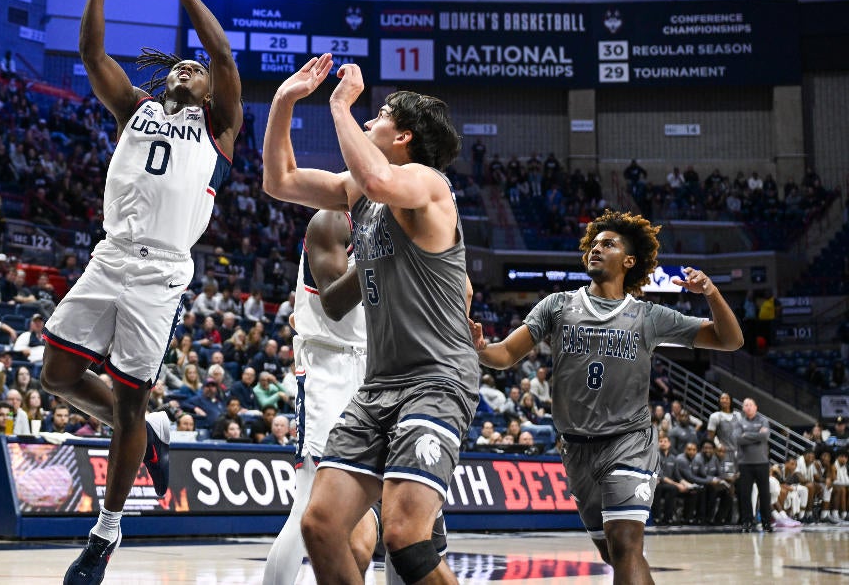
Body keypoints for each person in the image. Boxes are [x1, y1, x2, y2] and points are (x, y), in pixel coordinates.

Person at [41, 0, 242, 585]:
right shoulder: (135, 108)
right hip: (111, 255)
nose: (188, 68)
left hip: (160, 273)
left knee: (130, 398)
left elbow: (225, 57)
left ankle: (105, 532)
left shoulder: (217, 130)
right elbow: (92, 51)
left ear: (209, 92)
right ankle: (143, 437)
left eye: (196, 70)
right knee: (58, 376)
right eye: (179, 66)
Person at [262, 54, 470, 585]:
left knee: (404, 537)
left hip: (435, 379)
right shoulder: (361, 193)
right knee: (322, 524)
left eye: (379, 114)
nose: (370, 118)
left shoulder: (427, 183)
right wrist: (284, 101)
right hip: (379, 383)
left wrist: (338, 104)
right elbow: (279, 180)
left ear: (403, 137)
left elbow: (378, 181)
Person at [471, 210, 742, 580]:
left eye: (608, 244)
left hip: (627, 441)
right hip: (576, 448)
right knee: (614, 552)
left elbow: (730, 339)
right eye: (594, 244)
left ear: (629, 261)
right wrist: (482, 348)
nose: (596, 249)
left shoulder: (648, 316)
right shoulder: (557, 306)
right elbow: (505, 354)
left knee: (626, 541)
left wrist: (710, 292)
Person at [265, 208, 402, 585]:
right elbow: (335, 304)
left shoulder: (391, 227)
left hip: (373, 370)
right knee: (308, 503)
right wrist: (383, 250)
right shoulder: (331, 221)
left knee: (392, 510)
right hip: (329, 367)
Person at [734, 397, 774, 532]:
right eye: (746, 405)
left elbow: (765, 437)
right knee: (745, 494)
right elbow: (738, 439)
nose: (748, 407)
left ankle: (766, 522)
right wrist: (756, 435)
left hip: (762, 463)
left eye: (751, 404)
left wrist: (747, 435)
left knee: (764, 494)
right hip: (745, 464)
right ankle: (747, 522)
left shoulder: (763, 420)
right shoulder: (739, 422)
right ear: (743, 408)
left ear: (756, 407)